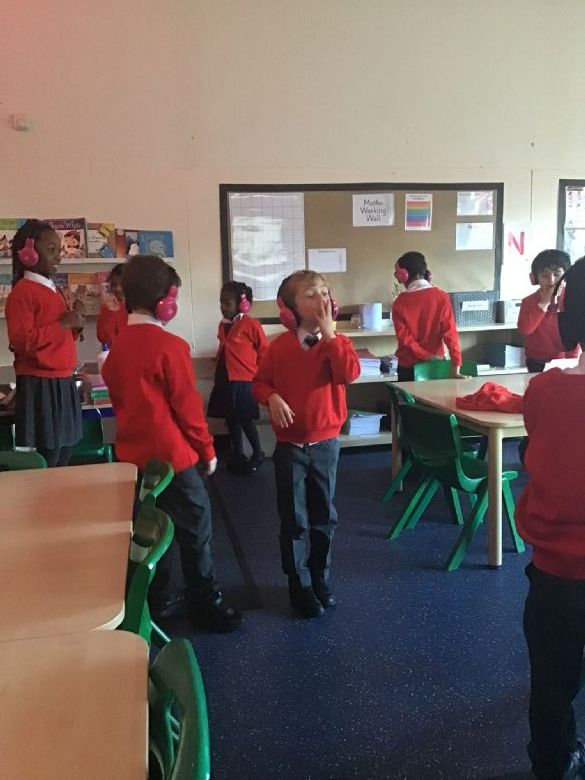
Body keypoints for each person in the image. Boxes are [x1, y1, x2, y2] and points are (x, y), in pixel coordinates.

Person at [102, 255, 242, 633]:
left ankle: (159, 599)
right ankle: (206, 602)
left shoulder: (117, 348)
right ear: (165, 301)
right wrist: (208, 451)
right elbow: (188, 411)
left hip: (134, 460)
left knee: (153, 529)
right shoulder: (170, 346)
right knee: (196, 528)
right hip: (173, 459)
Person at [253, 270, 360, 618]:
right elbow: (259, 383)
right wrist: (271, 396)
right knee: (294, 520)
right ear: (290, 309)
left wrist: (331, 336)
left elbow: (349, 373)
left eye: (325, 293)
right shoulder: (278, 347)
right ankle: (298, 584)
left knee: (324, 517)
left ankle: (320, 577)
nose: (321, 300)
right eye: (311, 295)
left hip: (326, 444)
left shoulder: (337, 343)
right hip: (290, 448)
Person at [516, 256, 585, 780]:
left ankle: (552, 763)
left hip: (556, 575)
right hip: (558, 570)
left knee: (551, 679)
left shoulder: (543, 391)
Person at [5, 219, 84, 467]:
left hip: (63, 380)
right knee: (47, 457)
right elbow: (22, 340)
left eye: (59, 249)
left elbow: (57, 338)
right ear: (28, 254)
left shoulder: (53, 289)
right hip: (40, 384)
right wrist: (63, 324)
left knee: (65, 452)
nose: (58, 256)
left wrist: (74, 325)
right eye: (51, 249)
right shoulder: (23, 292)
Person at [207, 280, 268, 474]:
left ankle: (258, 453)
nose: (222, 307)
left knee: (245, 418)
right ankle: (238, 455)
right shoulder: (222, 325)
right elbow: (225, 346)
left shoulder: (251, 324)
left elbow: (263, 351)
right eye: (221, 302)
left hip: (244, 381)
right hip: (225, 378)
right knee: (231, 419)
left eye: (227, 303)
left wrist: (260, 375)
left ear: (243, 305)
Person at [391, 251, 463, 381]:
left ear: (403, 275)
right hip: (435, 366)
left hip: (408, 367)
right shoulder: (441, 297)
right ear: (427, 274)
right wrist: (456, 364)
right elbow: (450, 333)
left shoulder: (399, 302)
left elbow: (404, 339)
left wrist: (427, 356)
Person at [518, 249, 578, 373]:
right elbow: (525, 330)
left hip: (566, 360)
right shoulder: (529, 302)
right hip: (537, 361)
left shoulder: (572, 300)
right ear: (535, 278)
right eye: (545, 276)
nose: (551, 281)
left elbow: (576, 332)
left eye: (557, 274)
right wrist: (544, 303)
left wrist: (572, 361)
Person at [96, 263, 128, 346]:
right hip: (117, 352)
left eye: (122, 284)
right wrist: (110, 312)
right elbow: (104, 338)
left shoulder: (139, 308)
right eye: (114, 285)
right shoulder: (107, 307)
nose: (118, 288)